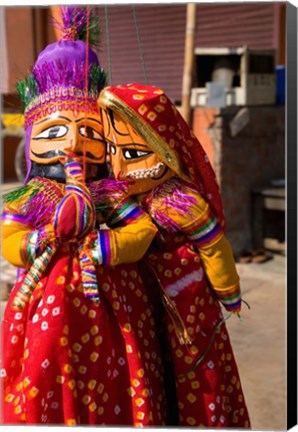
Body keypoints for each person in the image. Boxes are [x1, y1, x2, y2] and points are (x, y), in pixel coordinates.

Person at [0, 9, 167, 426]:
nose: (74, 142)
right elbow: (9, 237)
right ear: (32, 136)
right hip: (43, 309)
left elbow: (143, 228)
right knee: (43, 375)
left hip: (112, 303)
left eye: (90, 132)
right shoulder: (32, 195)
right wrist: (35, 243)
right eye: (56, 132)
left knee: (115, 380)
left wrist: (112, 246)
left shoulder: (110, 193)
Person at [98, 83, 251, 428]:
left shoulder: (182, 201)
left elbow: (214, 247)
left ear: (164, 147)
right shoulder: (121, 196)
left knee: (193, 375)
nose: (119, 166)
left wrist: (229, 294)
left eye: (135, 154)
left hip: (186, 307)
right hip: (143, 302)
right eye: (111, 151)